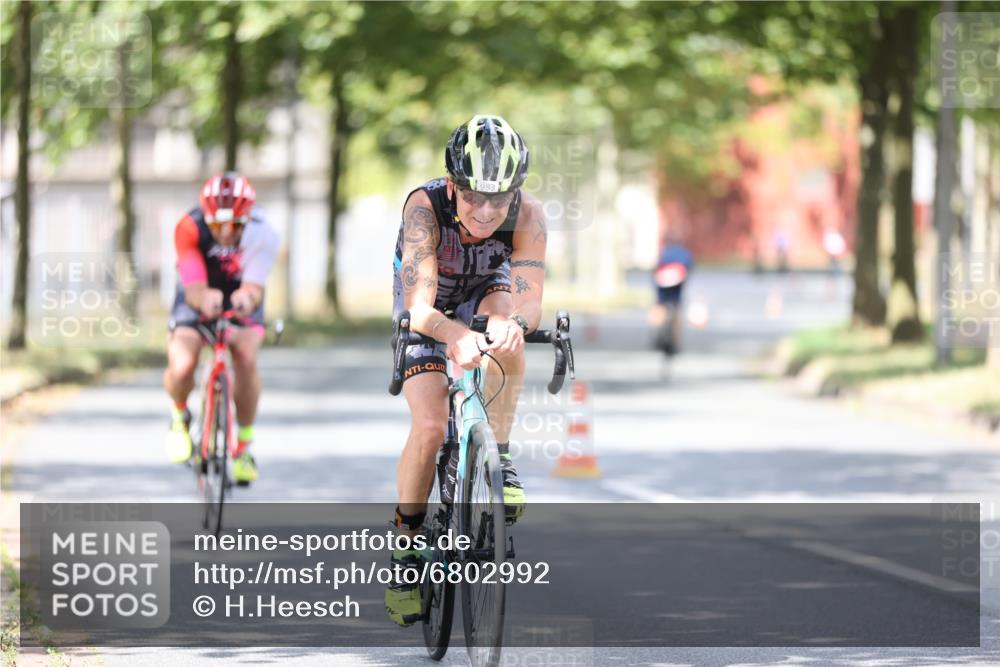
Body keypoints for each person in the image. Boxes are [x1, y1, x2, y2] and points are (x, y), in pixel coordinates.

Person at [385, 115, 547, 626]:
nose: (486, 210)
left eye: (499, 198)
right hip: (427, 302)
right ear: (452, 185)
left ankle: (500, 457)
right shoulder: (424, 209)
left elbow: (529, 300)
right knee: (432, 425)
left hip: (486, 288)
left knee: (507, 333)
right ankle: (406, 547)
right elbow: (420, 307)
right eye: (474, 195)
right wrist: (454, 335)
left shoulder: (529, 215)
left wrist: (514, 325)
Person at [163, 171, 279, 486]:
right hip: (198, 289)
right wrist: (203, 298)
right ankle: (179, 415)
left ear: (248, 218)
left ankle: (243, 447)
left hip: (241, 292)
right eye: (217, 226)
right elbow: (193, 286)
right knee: (182, 362)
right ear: (206, 217)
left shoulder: (264, 231)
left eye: (236, 225)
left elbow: (254, 287)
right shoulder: (189, 227)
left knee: (246, 357)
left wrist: (247, 298)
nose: (227, 233)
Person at [653, 235, 694, 356]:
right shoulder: (684, 253)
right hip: (677, 278)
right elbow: (689, 268)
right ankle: (677, 341)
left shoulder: (665, 252)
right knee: (677, 307)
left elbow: (657, 267)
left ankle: (657, 334)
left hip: (663, 278)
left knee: (660, 304)